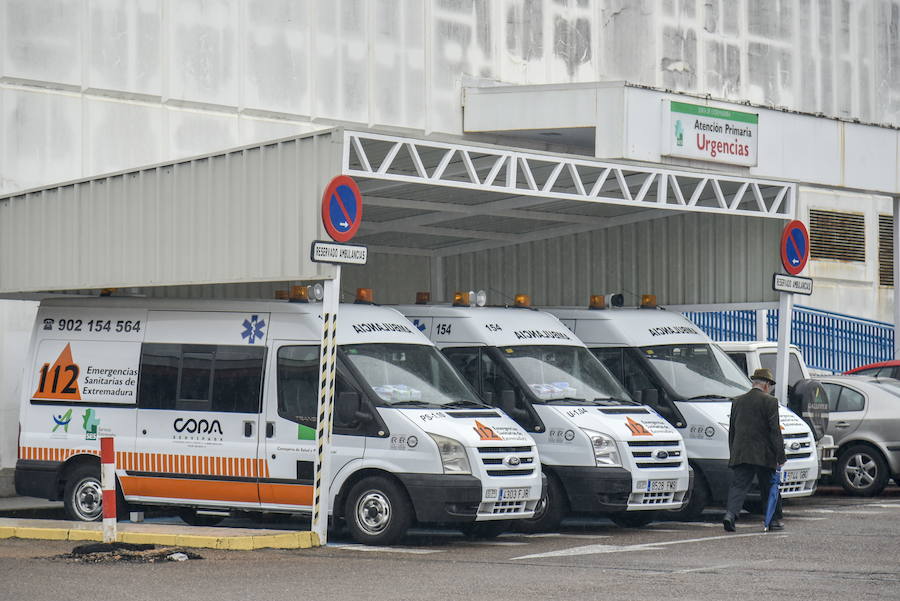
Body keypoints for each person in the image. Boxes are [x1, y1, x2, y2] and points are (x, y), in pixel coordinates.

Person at [723, 367, 786, 532]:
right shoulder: (770, 402)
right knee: (769, 486)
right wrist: (780, 456)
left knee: (738, 486)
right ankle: (773, 520)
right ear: (766, 385)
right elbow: (775, 431)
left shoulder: (737, 401)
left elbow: (732, 430)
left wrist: (733, 452)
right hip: (764, 454)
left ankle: (730, 515)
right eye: (770, 386)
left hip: (741, 451)